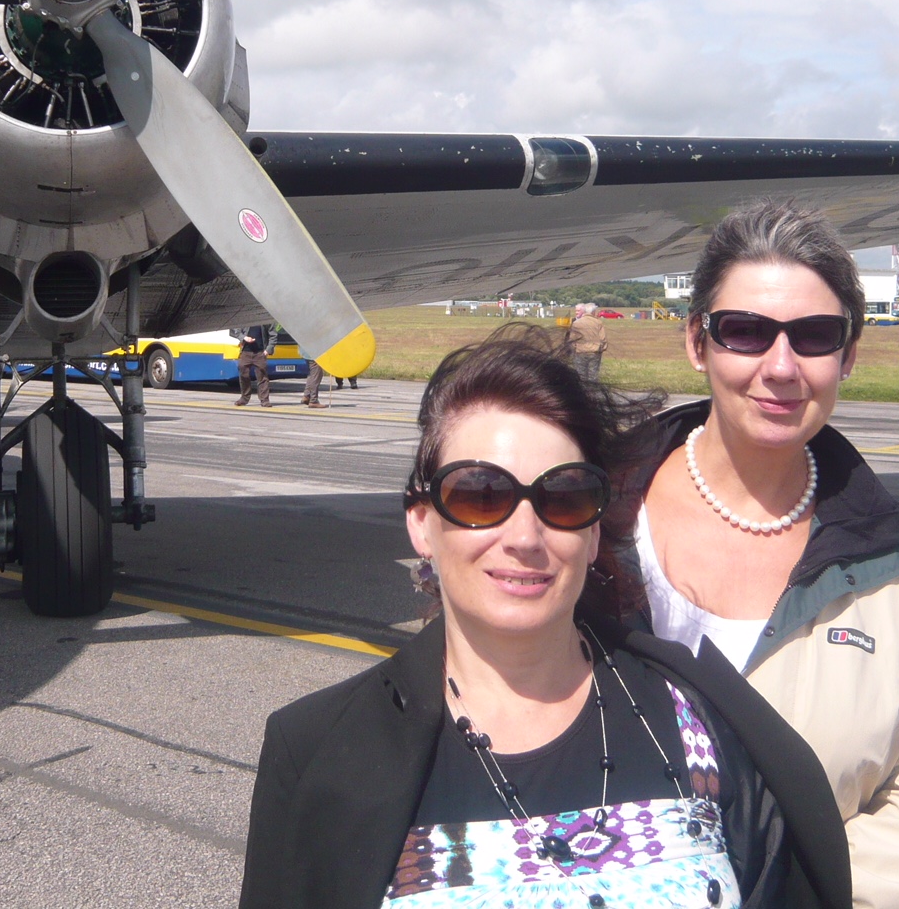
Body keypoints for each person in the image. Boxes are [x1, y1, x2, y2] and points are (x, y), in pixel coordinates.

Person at [241, 326, 852, 909]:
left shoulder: (702, 725)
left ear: (592, 534)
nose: (525, 536)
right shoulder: (316, 751)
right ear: (421, 521)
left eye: (563, 497)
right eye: (481, 494)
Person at [621, 202, 899, 909]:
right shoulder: (584, 518)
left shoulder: (896, 560)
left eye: (816, 336)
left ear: (848, 355)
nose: (782, 367)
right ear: (697, 343)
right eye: (745, 332)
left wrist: (797, 892)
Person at [233, 323, 272, 407]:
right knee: (243, 374)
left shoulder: (266, 319)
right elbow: (236, 330)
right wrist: (244, 338)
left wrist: (268, 349)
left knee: (262, 377)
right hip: (245, 352)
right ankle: (244, 398)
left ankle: (264, 400)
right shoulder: (245, 317)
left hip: (260, 353)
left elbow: (273, 335)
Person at [567, 303, 607, 384]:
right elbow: (603, 339)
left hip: (580, 351)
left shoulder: (576, 323)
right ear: (593, 312)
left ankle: (583, 392)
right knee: (593, 375)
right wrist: (602, 349)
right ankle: (593, 392)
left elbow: (572, 339)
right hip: (594, 352)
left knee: (581, 375)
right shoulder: (598, 323)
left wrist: (574, 349)